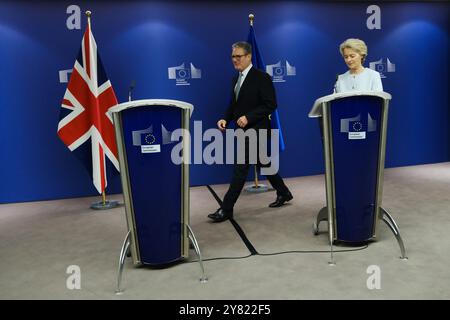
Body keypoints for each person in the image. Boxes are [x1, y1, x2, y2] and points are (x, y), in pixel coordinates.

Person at [207, 41, 293, 223]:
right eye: (233, 56)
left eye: (238, 56)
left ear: (248, 57)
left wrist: (249, 117)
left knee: (240, 168)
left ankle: (226, 208)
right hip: (242, 130)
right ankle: (284, 192)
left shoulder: (261, 77)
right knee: (264, 163)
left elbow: (271, 105)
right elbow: (233, 105)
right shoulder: (235, 79)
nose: (235, 60)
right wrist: (225, 118)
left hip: (257, 129)